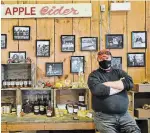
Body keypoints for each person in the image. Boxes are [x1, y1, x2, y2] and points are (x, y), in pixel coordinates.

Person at [87, 49, 141, 133]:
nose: (104, 60)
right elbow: (97, 90)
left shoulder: (119, 72)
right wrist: (121, 86)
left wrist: (106, 84)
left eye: (107, 58)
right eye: (101, 59)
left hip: (124, 115)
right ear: (98, 60)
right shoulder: (94, 75)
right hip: (104, 117)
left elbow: (130, 84)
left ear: (111, 58)